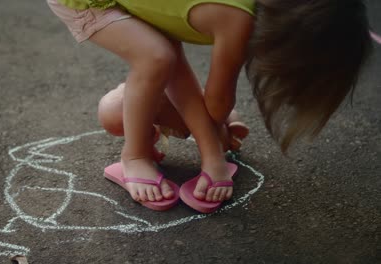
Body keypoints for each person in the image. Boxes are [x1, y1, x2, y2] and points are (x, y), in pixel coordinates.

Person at [47, 0, 372, 213]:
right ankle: (134, 156)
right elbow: (217, 101)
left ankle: (144, 104)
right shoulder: (238, 18)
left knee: (164, 59)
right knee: (155, 57)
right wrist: (214, 143)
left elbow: (180, 72)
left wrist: (212, 146)